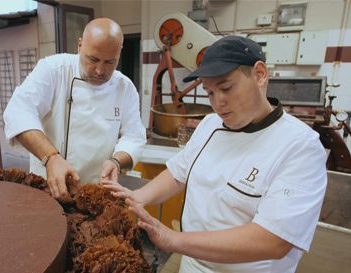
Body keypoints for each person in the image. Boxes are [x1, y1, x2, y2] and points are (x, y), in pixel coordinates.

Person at [103, 36, 327, 273]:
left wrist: (172, 239)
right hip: (192, 264)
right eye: (209, 93)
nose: (218, 103)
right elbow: (179, 174)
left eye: (226, 88)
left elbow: (274, 240)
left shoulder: (300, 146)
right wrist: (138, 197)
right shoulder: (210, 124)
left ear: (260, 74)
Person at [3, 18, 146, 199]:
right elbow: (18, 112)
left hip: (96, 191)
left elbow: (134, 137)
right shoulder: (54, 70)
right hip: (49, 186)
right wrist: (51, 158)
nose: (100, 70)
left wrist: (116, 162)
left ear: (119, 53)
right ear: (80, 45)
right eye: (93, 59)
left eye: (110, 62)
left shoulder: (125, 88)